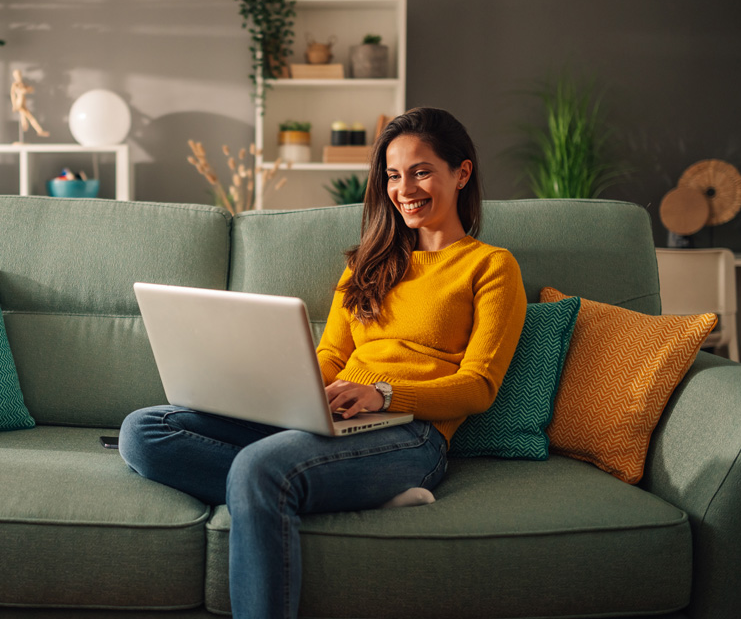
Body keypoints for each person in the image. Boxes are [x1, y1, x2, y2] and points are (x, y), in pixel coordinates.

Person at [118, 107, 527, 619]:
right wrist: (281, 392)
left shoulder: (491, 266)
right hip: (331, 415)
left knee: (260, 469)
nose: (405, 189)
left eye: (421, 171)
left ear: (461, 173)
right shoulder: (365, 265)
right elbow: (332, 356)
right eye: (394, 175)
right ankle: (347, 494)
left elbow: (479, 386)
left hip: (412, 434)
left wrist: (383, 394)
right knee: (144, 430)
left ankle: (296, 485)